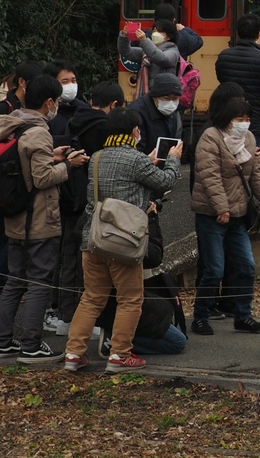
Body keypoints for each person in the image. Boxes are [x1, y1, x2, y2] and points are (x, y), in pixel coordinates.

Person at [63, 108, 181, 374]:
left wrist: (146, 163)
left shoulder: (96, 157)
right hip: (124, 242)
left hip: (93, 238)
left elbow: (121, 177)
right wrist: (172, 159)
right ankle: (119, 354)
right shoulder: (136, 160)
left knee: (92, 297)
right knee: (130, 299)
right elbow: (166, 181)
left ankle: (74, 352)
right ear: (134, 131)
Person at [0, 75, 89, 363]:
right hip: (37, 220)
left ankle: (3, 341)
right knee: (39, 281)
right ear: (49, 102)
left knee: (14, 280)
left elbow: (25, 165)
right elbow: (41, 178)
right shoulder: (38, 131)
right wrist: (69, 165)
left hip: (14, 218)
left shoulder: (13, 124)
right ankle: (31, 344)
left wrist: (53, 156)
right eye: (57, 102)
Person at [189, 95, 260, 337]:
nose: (244, 123)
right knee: (214, 269)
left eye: (247, 119)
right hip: (211, 214)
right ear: (227, 118)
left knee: (247, 266)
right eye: (239, 118)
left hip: (238, 214)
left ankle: (243, 315)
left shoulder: (249, 138)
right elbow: (209, 175)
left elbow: (255, 176)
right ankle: (200, 316)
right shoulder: (211, 137)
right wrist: (221, 208)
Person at [50, 82, 125, 334]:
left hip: (68, 196)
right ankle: (77, 319)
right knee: (87, 263)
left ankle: (65, 314)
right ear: (114, 105)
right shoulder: (103, 127)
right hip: (88, 201)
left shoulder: (75, 118)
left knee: (68, 257)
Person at [100, 205, 188, 359]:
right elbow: (153, 256)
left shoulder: (98, 223)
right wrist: (151, 219)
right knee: (177, 342)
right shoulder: (129, 225)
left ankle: (82, 349)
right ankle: (117, 342)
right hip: (129, 297)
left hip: (107, 297)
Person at [215, 14, 260, 148]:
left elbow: (221, 78)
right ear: (258, 34)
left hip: (228, 116)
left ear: (238, 33)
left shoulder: (224, 56)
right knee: (251, 160)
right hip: (254, 117)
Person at [118, 18, 182, 97]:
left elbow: (162, 58)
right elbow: (126, 52)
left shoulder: (173, 51)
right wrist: (124, 36)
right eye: (154, 31)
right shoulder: (146, 51)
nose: (155, 34)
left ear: (169, 37)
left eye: (159, 31)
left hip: (162, 95)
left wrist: (144, 41)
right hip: (146, 95)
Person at [126, 72, 184, 156]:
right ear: (154, 97)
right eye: (166, 98)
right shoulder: (136, 113)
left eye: (175, 99)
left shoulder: (175, 112)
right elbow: (136, 149)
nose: (171, 102)